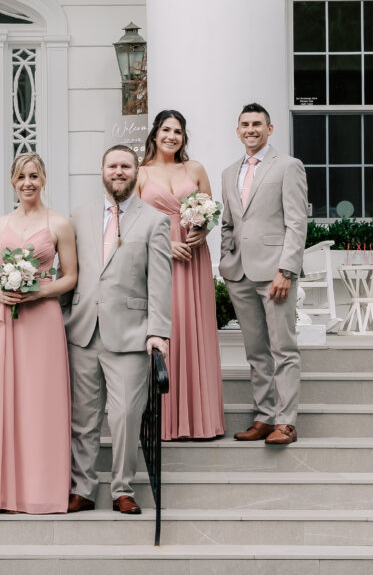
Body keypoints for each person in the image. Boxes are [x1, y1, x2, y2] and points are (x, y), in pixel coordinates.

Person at [0, 152, 77, 514]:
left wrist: (39, 291)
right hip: (3, 318)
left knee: (40, 403)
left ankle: (40, 490)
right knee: (0, 398)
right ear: (13, 181)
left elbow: (71, 276)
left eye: (35, 176)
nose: (28, 182)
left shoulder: (59, 224)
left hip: (42, 319)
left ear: (44, 180)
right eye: (22, 176)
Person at [63, 145, 172, 515]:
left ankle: (122, 488)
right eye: (113, 165)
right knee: (84, 418)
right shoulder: (78, 217)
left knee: (125, 415)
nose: (119, 171)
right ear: (102, 170)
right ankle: (83, 488)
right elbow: (69, 274)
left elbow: (159, 282)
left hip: (130, 333)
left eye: (126, 165)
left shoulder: (155, 220)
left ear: (136, 171)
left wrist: (158, 331)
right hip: (82, 331)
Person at [220, 103, 308, 446]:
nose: (251, 129)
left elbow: (297, 222)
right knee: (255, 350)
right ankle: (264, 415)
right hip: (239, 273)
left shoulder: (288, 166)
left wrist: (286, 269)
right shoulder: (229, 173)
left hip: (275, 273)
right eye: (245, 124)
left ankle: (286, 421)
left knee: (283, 348)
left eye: (257, 124)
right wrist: (227, 258)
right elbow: (228, 222)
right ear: (238, 130)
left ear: (270, 129)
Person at [136, 110, 225, 441]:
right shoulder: (141, 174)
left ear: (183, 137)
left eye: (178, 131)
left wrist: (203, 229)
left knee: (195, 328)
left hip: (193, 256)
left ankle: (200, 419)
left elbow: (210, 211)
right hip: (160, 258)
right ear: (155, 134)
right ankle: (164, 419)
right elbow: (131, 223)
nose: (172, 136)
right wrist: (165, 244)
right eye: (166, 130)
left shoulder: (195, 169)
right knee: (166, 328)